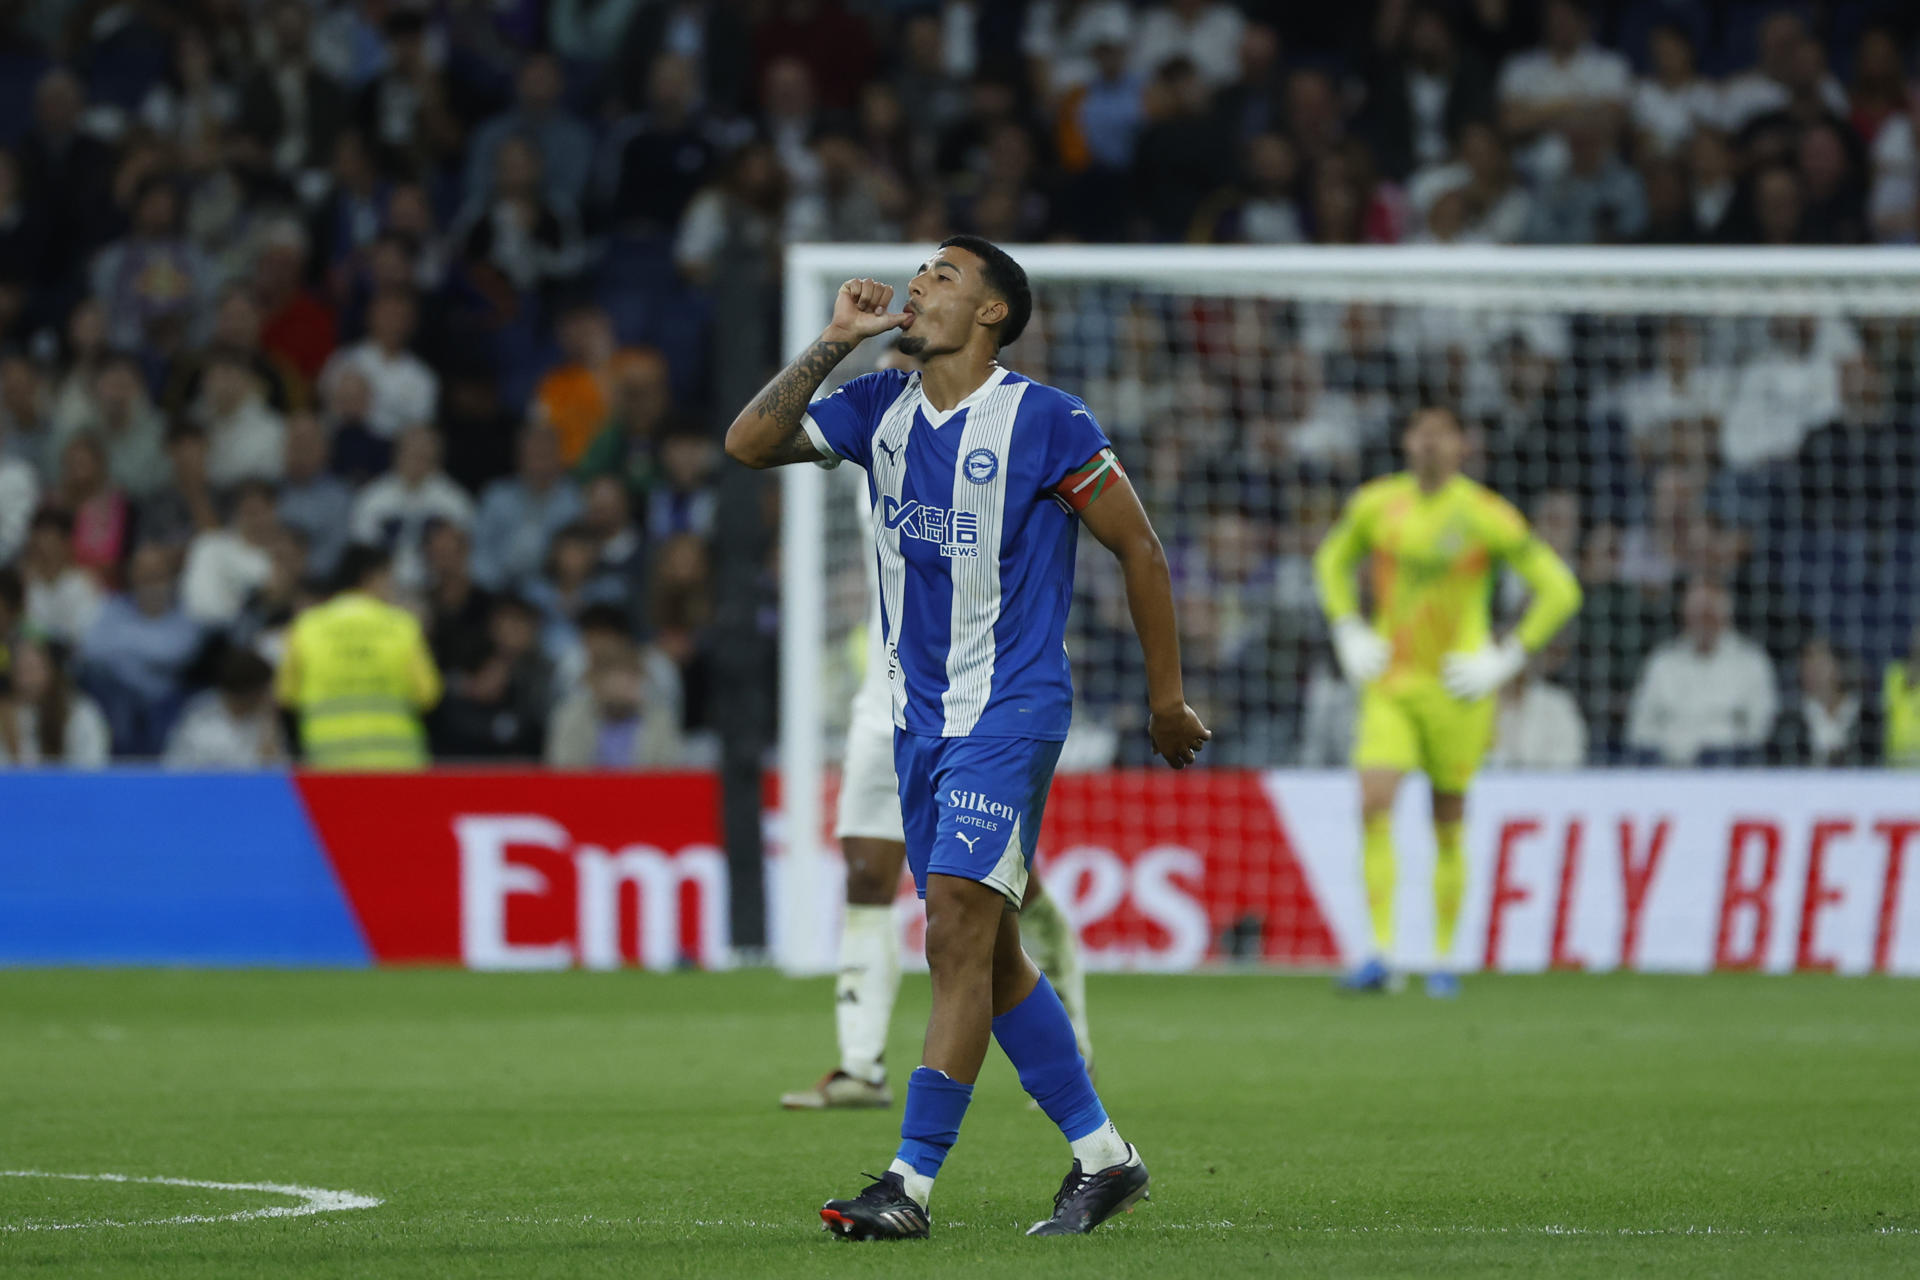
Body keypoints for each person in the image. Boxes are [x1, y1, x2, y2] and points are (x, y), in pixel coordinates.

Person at [725, 237, 1208, 1238]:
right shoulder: (878, 407)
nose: (921, 282)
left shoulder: (1047, 419)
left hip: (1011, 707)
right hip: (916, 716)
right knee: (987, 955)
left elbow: (1140, 548)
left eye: (947, 274)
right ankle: (1105, 1157)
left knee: (952, 924)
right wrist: (831, 343)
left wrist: (1166, 699)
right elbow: (748, 443)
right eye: (923, 270)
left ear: (993, 312)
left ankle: (907, 1182)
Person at [778, 347, 1097, 1114]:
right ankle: (861, 1066)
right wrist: (831, 345)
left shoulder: (1003, 438)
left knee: (986, 905)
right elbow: (762, 439)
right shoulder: (873, 425)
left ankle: (1063, 1002)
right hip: (886, 692)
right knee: (864, 869)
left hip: (986, 698)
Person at [1312, 405, 1581, 996]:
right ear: (1407, 440)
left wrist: (1506, 657)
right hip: (1393, 684)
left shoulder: (1486, 515)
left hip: (1459, 690)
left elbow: (1561, 589)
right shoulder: (1377, 504)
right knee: (1373, 800)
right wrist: (1347, 629)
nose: (1429, 444)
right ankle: (1380, 953)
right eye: (1420, 432)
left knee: (1447, 820)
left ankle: (1442, 957)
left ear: (1463, 444)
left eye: (1442, 435)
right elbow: (1331, 560)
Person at [275, 543, 441, 768]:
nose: (391, 587)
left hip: (328, 766)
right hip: (396, 766)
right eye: (388, 578)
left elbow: (286, 696)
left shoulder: (307, 627)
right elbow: (429, 694)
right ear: (370, 577)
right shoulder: (402, 626)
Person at [1625, 579, 1777, 766]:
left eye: (1709, 614)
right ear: (1685, 615)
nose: (1703, 623)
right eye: (1696, 614)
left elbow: (1761, 728)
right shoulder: (1662, 662)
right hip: (1668, 769)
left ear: (1725, 616)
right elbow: (1638, 727)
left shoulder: (1751, 662)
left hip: (1730, 769)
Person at [162, 647, 287, 768]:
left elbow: (277, 774)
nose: (267, 695)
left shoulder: (266, 720)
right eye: (263, 691)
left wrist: (269, 730)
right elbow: (173, 767)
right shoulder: (199, 717)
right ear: (250, 694)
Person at [0, 634, 111, 767]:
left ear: (52, 670)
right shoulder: (6, 715)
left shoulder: (79, 713)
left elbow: (91, 766)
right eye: (20, 670)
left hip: (69, 786)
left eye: (33, 668)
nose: (27, 679)